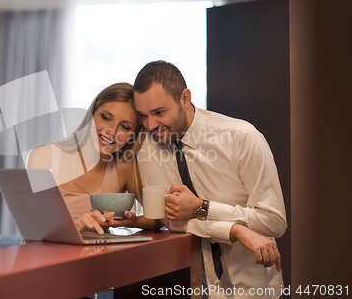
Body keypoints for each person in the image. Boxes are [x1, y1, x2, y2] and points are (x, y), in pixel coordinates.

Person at [133, 61, 287, 298]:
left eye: (159, 112)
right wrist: (235, 230)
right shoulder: (148, 149)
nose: (151, 125)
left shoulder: (243, 138)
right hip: (198, 287)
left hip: (255, 289)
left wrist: (201, 208)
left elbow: (274, 221)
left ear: (185, 98)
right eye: (143, 115)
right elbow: (171, 221)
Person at [27, 82, 160, 234]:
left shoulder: (123, 169)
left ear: (134, 134)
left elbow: (159, 219)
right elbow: (33, 228)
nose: (112, 131)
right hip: (44, 256)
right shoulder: (44, 156)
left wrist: (133, 221)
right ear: (92, 114)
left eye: (125, 127)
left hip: (96, 257)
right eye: (106, 117)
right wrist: (77, 227)